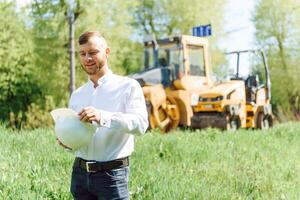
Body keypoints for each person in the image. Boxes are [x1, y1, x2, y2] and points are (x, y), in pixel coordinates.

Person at [62, 31, 148, 199]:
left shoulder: (128, 86)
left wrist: (103, 117)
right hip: (79, 174)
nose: (87, 58)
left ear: (106, 52)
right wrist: (67, 141)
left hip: (112, 176)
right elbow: (79, 137)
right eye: (83, 53)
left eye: (93, 52)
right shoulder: (77, 94)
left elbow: (140, 124)